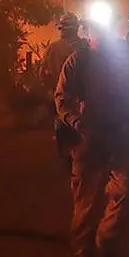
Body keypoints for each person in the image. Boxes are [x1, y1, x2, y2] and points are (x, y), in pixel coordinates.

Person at [53, 21, 129, 257]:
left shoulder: (122, 62)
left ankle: (104, 246)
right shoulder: (77, 62)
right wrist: (78, 123)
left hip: (118, 138)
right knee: (86, 203)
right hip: (87, 140)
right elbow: (61, 97)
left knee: (126, 191)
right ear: (88, 35)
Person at [43, 13, 87, 162]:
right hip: (82, 98)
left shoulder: (52, 48)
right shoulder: (85, 47)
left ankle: (67, 155)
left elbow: (42, 73)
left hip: (60, 97)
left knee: (62, 123)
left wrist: (52, 90)